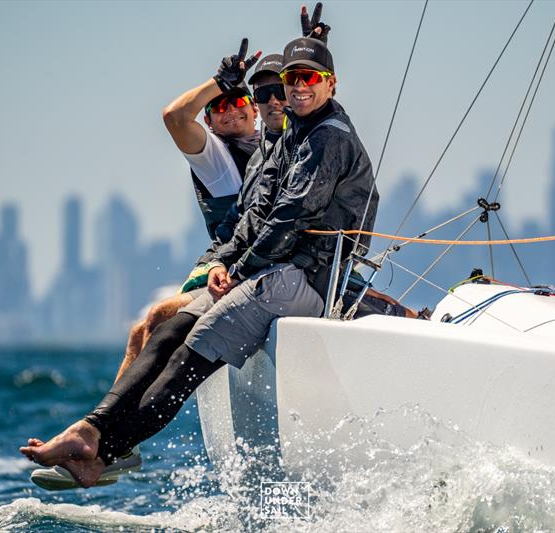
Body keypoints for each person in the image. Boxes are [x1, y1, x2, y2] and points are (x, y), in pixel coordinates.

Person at [20, 32, 378, 488]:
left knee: (193, 349)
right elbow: (255, 213)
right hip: (269, 268)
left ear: (331, 84)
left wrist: (239, 272)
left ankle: (100, 454)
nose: (293, 89)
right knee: (170, 328)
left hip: (308, 275)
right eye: (288, 81)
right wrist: (224, 263)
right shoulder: (290, 133)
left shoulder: (328, 139)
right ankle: (91, 428)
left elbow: (289, 219)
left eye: (307, 78)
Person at [113, 52, 288, 383]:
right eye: (219, 106)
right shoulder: (216, 155)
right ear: (209, 122)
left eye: (238, 101)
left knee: (151, 321)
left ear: (254, 109)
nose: (231, 110)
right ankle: (102, 426)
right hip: (236, 269)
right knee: (148, 324)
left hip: (272, 265)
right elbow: (175, 117)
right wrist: (219, 83)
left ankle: (101, 429)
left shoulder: (278, 142)